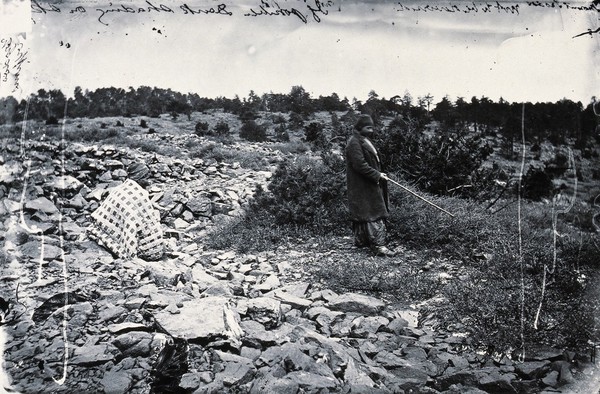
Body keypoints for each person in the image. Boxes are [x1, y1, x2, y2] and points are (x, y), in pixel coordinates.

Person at [345, 114, 395, 257]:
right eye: (368, 127)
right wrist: (377, 175)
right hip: (361, 184)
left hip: (368, 182)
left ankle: (363, 241)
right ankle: (379, 246)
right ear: (360, 128)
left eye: (372, 127)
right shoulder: (354, 142)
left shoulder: (363, 140)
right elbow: (359, 164)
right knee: (373, 211)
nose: (371, 130)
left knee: (366, 210)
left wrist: (378, 174)